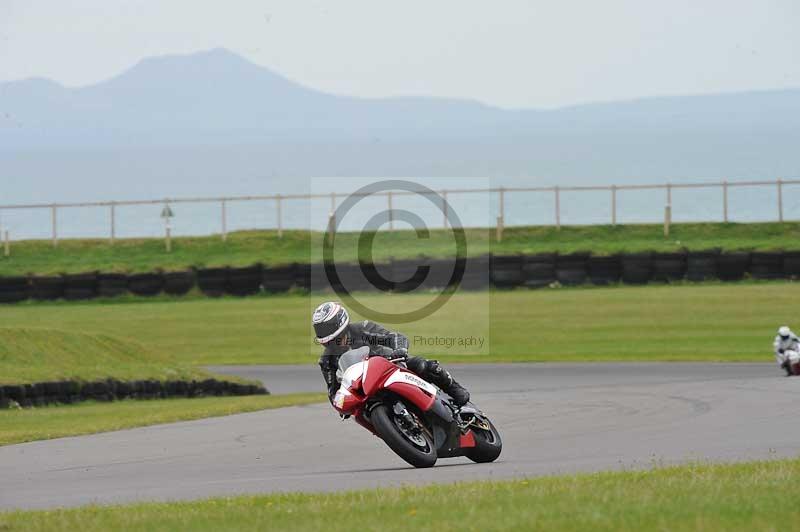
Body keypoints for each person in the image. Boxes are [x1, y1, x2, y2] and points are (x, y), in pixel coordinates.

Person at [313, 301, 471, 406]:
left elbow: (394, 337)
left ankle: (455, 389)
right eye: (320, 329)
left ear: (340, 322)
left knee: (421, 365)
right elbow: (334, 393)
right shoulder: (326, 361)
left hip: (390, 366)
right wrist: (342, 402)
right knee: (360, 413)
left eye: (326, 328)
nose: (323, 333)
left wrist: (399, 350)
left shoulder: (361, 329)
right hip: (364, 389)